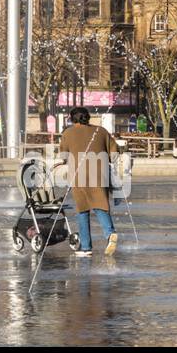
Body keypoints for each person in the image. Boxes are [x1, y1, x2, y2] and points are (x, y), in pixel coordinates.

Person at [58, 106, 119, 258]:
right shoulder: (101, 131)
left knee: (82, 210)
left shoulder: (68, 132)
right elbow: (115, 151)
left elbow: (63, 155)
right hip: (100, 173)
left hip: (79, 175)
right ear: (88, 117)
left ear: (72, 118)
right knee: (100, 206)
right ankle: (110, 233)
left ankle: (86, 247)